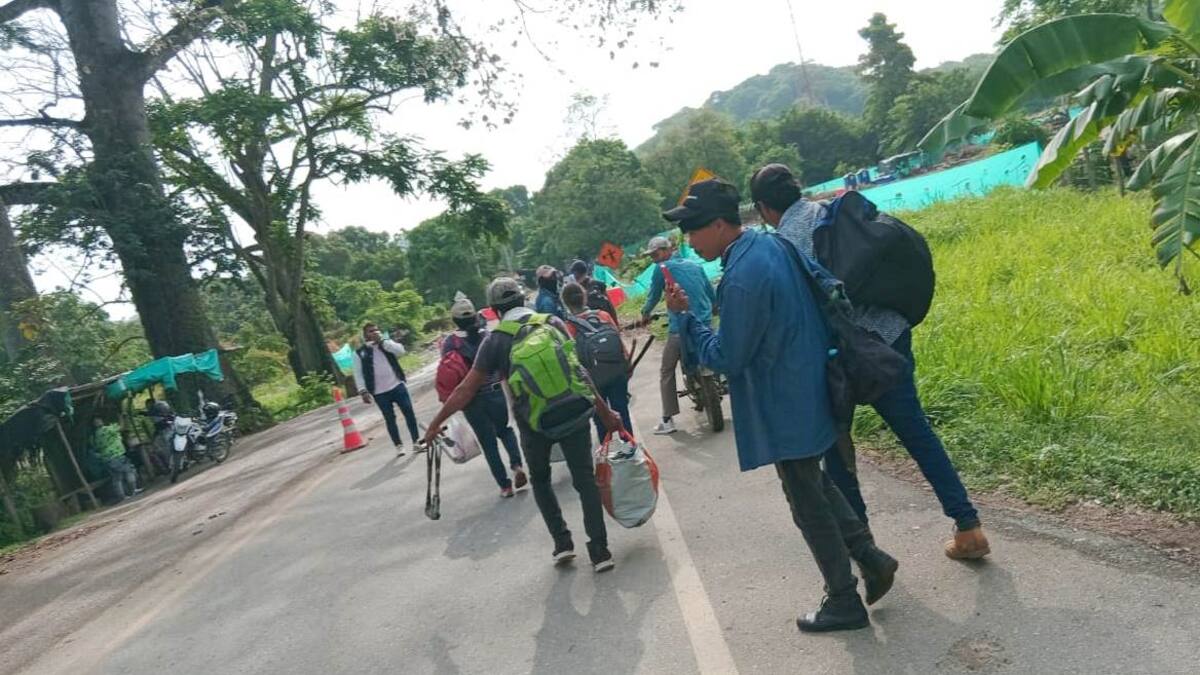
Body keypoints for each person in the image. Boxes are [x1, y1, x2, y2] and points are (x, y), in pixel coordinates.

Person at [663, 178, 898, 633]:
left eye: (692, 230)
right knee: (817, 483)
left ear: (717, 225)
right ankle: (871, 558)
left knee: (805, 500)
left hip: (782, 400)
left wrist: (686, 317)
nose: (688, 241)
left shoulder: (744, 277)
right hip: (808, 385)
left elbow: (726, 356)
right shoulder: (769, 246)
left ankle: (844, 599)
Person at [750, 163, 990, 561]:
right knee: (916, 432)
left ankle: (868, 551)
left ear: (762, 207)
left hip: (846, 356)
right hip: (891, 334)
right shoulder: (830, 210)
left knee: (837, 452)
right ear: (797, 189)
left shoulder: (782, 245)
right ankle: (968, 526)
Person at [422, 277, 621, 573]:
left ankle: (563, 542)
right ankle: (600, 550)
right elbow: (578, 370)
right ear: (522, 299)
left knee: (540, 480)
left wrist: (435, 424)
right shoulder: (552, 322)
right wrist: (604, 412)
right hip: (575, 412)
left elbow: (465, 389)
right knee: (585, 481)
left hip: (533, 423)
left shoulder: (496, 340)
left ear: (492, 309)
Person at [443, 295, 528, 498]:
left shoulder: (450, 343)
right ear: (475, 316)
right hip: (496, 392)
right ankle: (516, 465)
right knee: (506, 431)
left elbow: (447, 373)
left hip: (471, 400)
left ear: (455, 321)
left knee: (488, 443)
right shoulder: (488, 335)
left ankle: (505, 486)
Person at [640, 235, 716, 435]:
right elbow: (710, 292)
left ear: (667, 250)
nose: (654, 259)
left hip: (681, 329)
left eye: (656, 254)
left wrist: (645, 313)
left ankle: (668, 419)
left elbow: (654, 295)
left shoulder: (662, 269)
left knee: (666, 370)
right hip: (705, 324)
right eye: (652, 256)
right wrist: (714, 307)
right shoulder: (695, 265)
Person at [560, 281, 632, 443]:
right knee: (622, 411)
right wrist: (627, 364)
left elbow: (571, 360)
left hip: (593, 379)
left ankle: (606, 455)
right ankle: (631, 448)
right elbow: (619, 341)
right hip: (616, 371)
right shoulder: (603, 315)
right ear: (584, 297)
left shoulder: (568, 327)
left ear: (565, 303)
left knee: (601, 418)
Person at [354, 323, 421, 457]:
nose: (374, 333)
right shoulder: (360, 353)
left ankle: (416, 442)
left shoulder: (387, 344)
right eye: (370, 331)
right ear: (365, 335)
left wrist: (383, 342)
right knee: (390, 419)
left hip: (397, 385)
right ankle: (398, 445)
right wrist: (363, 391)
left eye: (376, 330)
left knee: (409, 413)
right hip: (379, 392)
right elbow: (358, 373)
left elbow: (401, 351)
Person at [91, 417, 139, 501]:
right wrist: (121, 417)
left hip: (106, 458)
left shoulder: (95, 436)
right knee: (129, 470)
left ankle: (122, 496)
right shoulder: (107, 429)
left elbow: (96, 448)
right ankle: (133, 490)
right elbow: (121, 427)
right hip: (116, 455)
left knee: (116, 478)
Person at [567, 260, 620, 327]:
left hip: (594, 323)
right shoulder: (598, 284)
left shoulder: (576, 291)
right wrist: (616, 323)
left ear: (575, 273)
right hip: (604, 320)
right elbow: (609, 304)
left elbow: (608, 304)